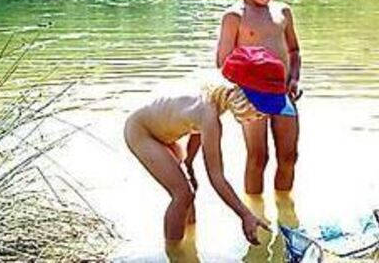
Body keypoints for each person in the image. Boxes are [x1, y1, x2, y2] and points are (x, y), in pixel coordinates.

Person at [124, 46, 296, 245]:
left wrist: (188, 162)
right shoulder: (210, 117)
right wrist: (245, 215)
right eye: (259, 113)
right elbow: (217, 177)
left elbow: (195, 130)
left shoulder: (215, 97)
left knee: (188, 196)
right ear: (242, 98)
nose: (259, 119)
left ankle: (190, 245)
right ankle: (175, 252)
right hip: (142, 132)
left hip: (164, 133)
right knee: (182, 194)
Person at [216, 0, 302, 195]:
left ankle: (285, 208)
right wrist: (239, 95)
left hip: (284, 94)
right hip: (250, 96)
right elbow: (223, 63)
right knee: (258, 158)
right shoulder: (234, 16)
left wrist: (294, 79)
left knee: (289, 156)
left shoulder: (283, 13)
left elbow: (294, 51)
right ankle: (255, 214)